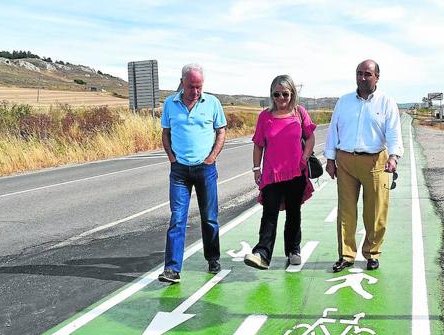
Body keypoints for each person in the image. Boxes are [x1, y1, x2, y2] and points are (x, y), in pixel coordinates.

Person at [323, 59, 403, 273]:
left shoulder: (386, 102)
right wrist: (330, 159)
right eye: (359, 73)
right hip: (346, 160)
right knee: (346, 211)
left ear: (377, 77)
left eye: (367, 74)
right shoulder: (344, 101)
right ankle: (346, 255)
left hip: (376, 161)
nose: (362, 77)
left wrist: (394, 156)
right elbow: (334, 130)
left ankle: (372, 253)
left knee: (375, 211)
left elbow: (394, 131)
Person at [158, 63, 227, 283]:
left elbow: (221, 131)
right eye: (191, 87)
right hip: (179, 171)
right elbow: (165, 133)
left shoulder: (212, 103)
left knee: (209, 217)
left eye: (199, 87)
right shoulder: (170, 103)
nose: (195, 91)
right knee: (177, 218)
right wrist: (171, 157)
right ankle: (172, 269)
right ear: (182, 83)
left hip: (205, 169)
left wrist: (212, 158)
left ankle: (213, 258)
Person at [244, 75, 316, 270]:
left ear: (292, 94)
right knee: (269, 214)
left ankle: (293, 250)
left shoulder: (299, 113)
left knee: (294, 213)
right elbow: (258, 144)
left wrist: (305, 158)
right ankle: (262, 253)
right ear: (271, 95)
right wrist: (256, 169)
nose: (281, 98)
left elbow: (310, 137)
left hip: (296, 173)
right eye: (276, 94)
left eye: (285, 94)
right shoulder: (265, 117)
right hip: (271, 174)